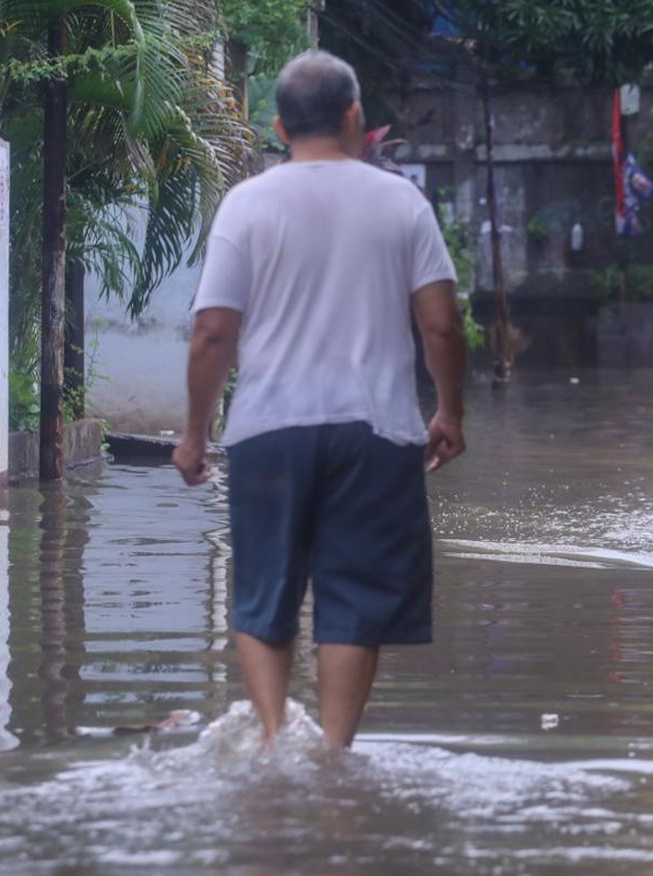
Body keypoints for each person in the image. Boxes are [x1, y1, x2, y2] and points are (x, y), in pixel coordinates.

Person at [171, 50, 467, 748]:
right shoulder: (401, 203)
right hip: (376, 431)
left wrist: (192, 433)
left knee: (263, 591)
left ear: (278, 124)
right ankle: (334, 754)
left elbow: (213, 331)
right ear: (355, 116)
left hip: (270, 428)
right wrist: (450, 412)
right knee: (356, 601)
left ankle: (276, 738)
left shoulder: (247, 204)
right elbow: (442, 324)